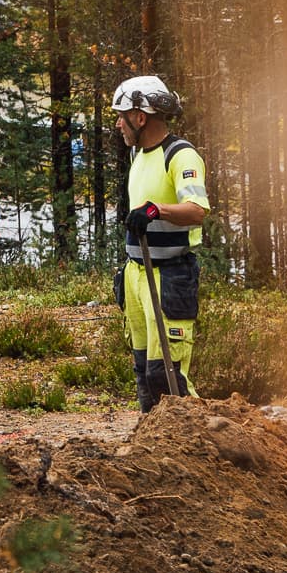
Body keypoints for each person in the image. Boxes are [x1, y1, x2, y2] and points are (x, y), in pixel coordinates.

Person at [113, 75, 209, 411]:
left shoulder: (181, 156)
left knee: (168, 376)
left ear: (140, 117)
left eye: (122, 116)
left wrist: (156, 210)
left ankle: (198, 445)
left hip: (169, 277)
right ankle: (151, 447)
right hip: (137, 274)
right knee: (144, 372)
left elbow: (197, 211)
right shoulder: (138, 156)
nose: (117, 123)